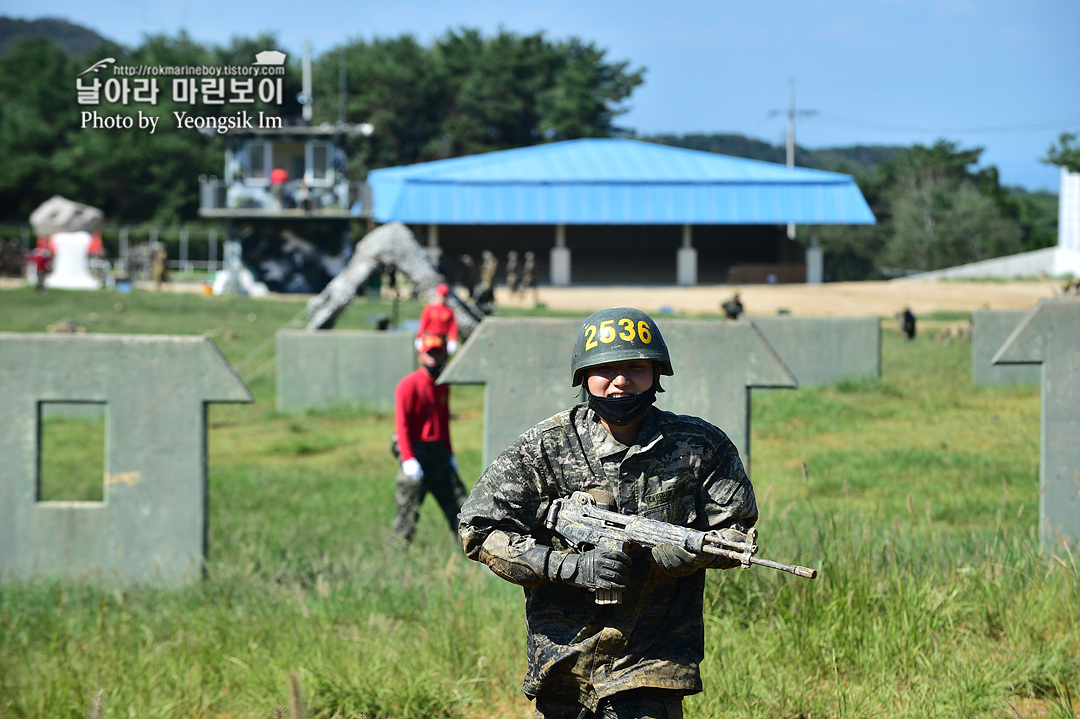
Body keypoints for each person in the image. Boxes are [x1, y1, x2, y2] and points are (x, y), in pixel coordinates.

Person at [459, 307, 758, 718]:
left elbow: (735, 531)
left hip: (652, 660)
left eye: (636, 366)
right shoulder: (545, 447)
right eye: (606, 368)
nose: (621, 380)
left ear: (657, 372)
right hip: (563, 661)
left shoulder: (700, 445)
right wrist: (567, 567)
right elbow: (478, 529)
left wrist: (687, 555)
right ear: (583, 376)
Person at [391, 333, 468, 545]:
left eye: (437, 353)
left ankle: (471, 557)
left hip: (439, 454)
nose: (433, 358)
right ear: (420, 356)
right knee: (406, 515)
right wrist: (408, 459)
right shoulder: (408, 385)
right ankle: (397, 557)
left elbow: (443, 422)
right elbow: (402, 425)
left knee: (462, 510)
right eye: (429, 353)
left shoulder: (443, 384)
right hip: (416, 453)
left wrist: (450, 454)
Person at [416, 282, 460, 353]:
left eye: (445, 296)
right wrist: (419, 337)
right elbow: (423, 324)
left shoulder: (449, 311)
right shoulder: (429, 309)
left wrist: (452, 340)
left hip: (442, 339)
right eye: (441, 295)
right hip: (429, 339)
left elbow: (453, 327)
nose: (442, 298)